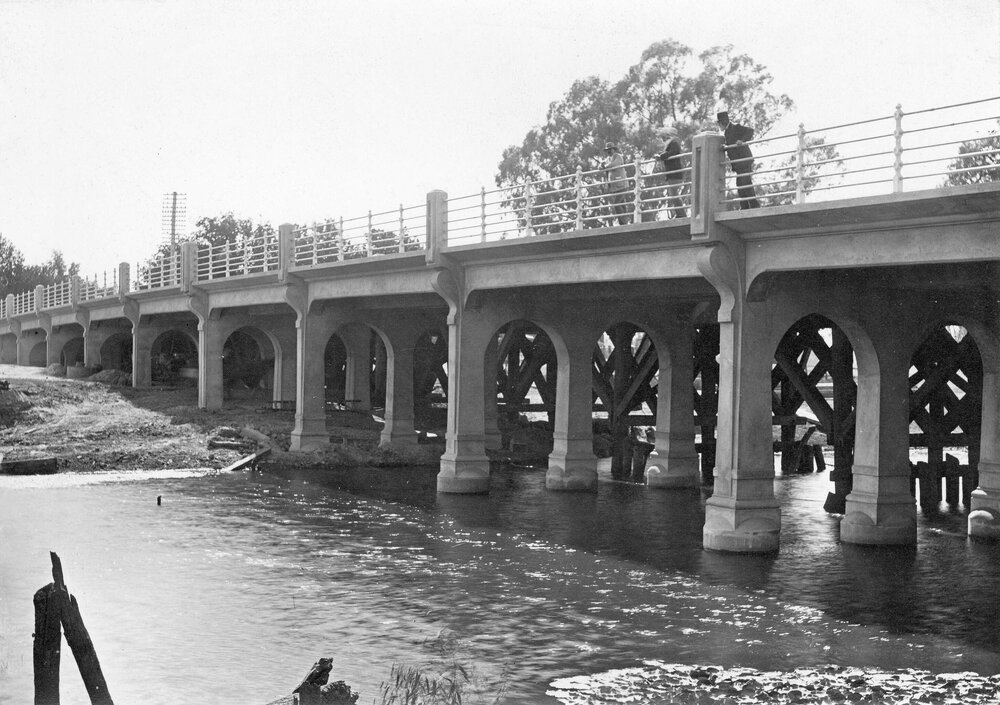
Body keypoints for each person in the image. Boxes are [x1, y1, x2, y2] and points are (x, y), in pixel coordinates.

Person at [716, 110, 760, 209]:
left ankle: (753, 205)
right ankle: (745, 205)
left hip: (744, 160)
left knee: (745, 183)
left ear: (723, 122)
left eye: (719, 123)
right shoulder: (727, 132)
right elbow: (730, 144)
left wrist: (742, 140)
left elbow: (750, 131)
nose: (719, 126)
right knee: (741, 184)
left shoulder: (735, 127)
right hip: (738, 163)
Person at [656, 126, 686, 218]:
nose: (663, 139)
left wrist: (661, 156)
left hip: (675, 173)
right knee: (673, 194)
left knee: (674, 194)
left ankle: (681, 214)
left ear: (666, 136)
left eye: (663, 137)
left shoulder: (674, 143)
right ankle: (679, 213)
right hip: (672, 174)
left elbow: (672, 153)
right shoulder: (670, 144)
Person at [601, 142, 631, 225]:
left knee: (616, 204)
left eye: (610, 149)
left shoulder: (619, 157)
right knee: (621, 204)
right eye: (607, 150)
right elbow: (601, 166)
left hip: (622, 185)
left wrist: (605, 166)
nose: (609, 151)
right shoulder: (607, 159)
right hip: (614, 187)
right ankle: (624, 223)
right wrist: (601, 165)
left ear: (614, 149)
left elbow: (615, 164)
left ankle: (623, 222)